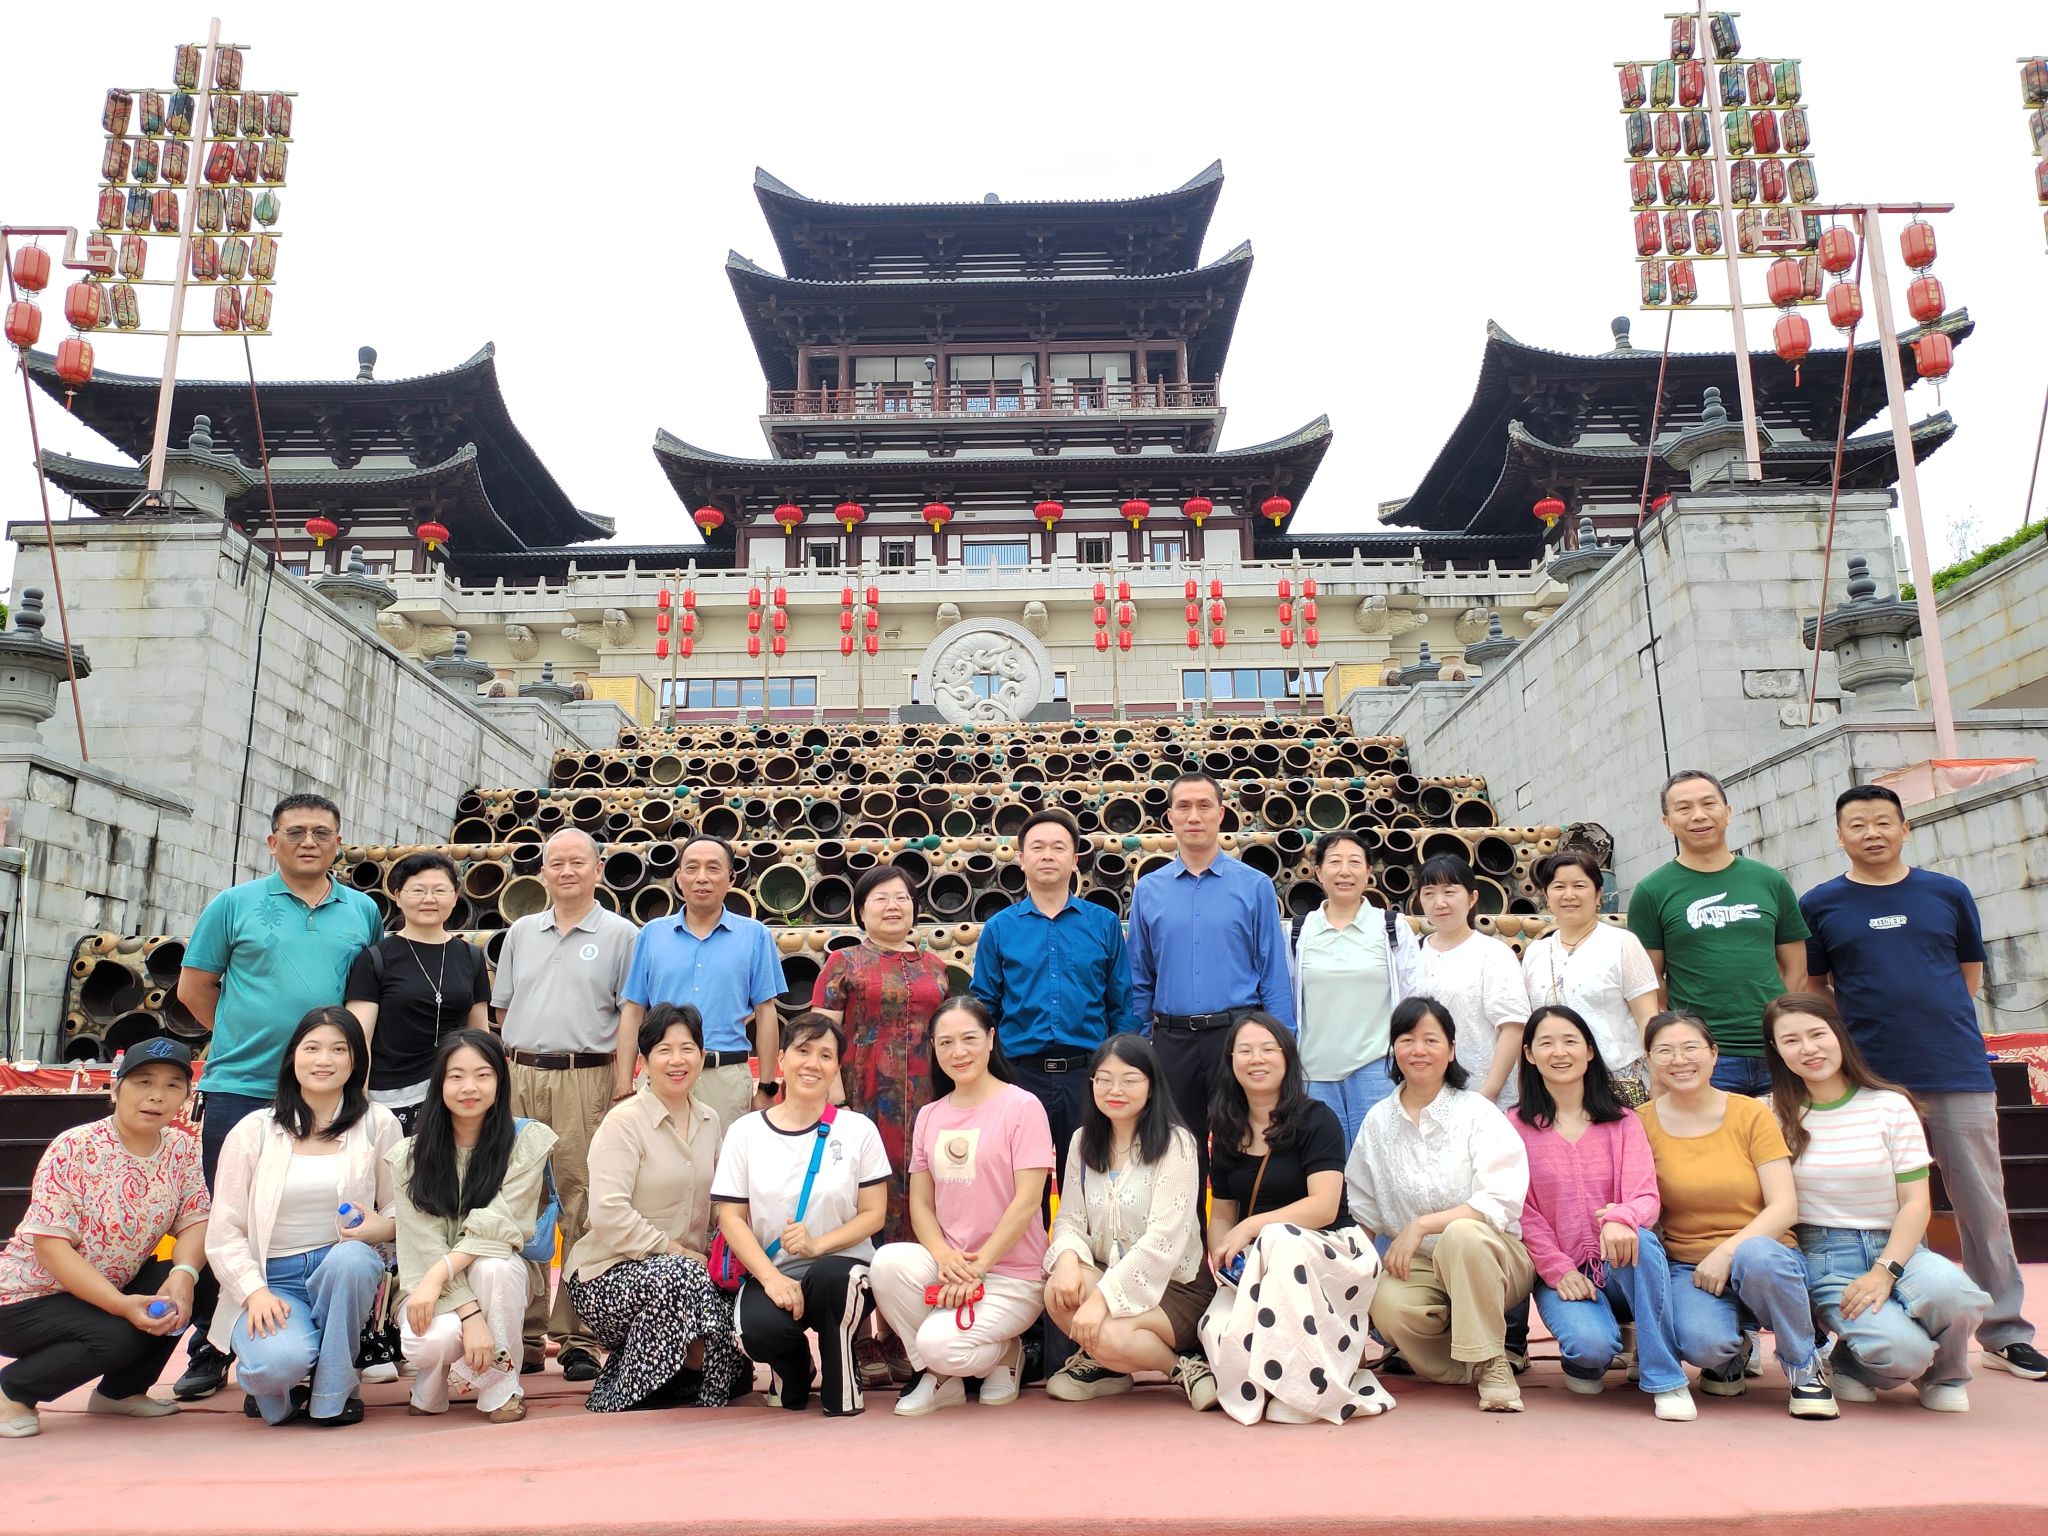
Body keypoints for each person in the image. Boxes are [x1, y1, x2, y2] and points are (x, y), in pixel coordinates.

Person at [1799, 784, 2044, 1380]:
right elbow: (1814, 987)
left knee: (1980, 1202)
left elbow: (1968, 972)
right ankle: (1886, 1325)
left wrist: (1931, 1020)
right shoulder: (1820, 903)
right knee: (1876, 1205)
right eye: (1858, 824)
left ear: (1905, 828)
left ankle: (2004, 1331)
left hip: (1952, 1067)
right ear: (1839, 835)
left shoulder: (1946, 892)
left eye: (1884, 822)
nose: (1872, 833)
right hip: (1870, 1077)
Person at [173, 792, 381, 1400]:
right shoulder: (234, 904)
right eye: (295, 832)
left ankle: (331, 1339)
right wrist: (243, 1036)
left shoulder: (363, 910)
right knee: (229, 1215)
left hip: (328, 1089)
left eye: (321, 832)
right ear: (272, 842)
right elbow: (193, 988)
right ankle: (211, 1345)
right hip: (242, 1086)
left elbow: (365, 993)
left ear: (338, 842)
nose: (308, 842)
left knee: (332, 1218)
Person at [1765, 993, 1990, 1410]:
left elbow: (1915, 1202)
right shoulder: (1771, 1114)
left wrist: (1885, 1271)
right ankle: (1852, 1364)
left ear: (1839, 1035)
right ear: (1777, 1050)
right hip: (1825, 1255)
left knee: (1956, 1294)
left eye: (1817, 1034)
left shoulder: (1890, 1104)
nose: (1808, 1048)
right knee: (1902, 1354)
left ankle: (1945, 1375)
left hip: (1898, 1244)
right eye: (1791, 1040)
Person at [0, 1040, 208, 1438]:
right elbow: (51, 1248)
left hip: (110, 1286)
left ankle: (121, 1392)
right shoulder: (75, 1147)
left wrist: (183, 1275)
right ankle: (13, 1391)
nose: (157, 1095)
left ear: (186, 1096)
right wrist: (120, 1305)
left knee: (203, 1274)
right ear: (115, 1088)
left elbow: (195, 1220)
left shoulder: (181, 1148)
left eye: (172, 1085)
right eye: (143, 1081)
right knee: (116, 1336)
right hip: (27, 1297)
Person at [490, 826, 637, 1382]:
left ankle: (577, 1336)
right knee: (517, 1200)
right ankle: (522, 1332)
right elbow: (502, 1010)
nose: (567, 871)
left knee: (581, 1200)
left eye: (579, 862)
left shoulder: (622, 935)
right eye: (557, 863)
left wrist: (621, 1083)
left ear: (598, 870)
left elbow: (631, 1014)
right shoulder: (521, 932)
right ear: (543, 872)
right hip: (520, 1074)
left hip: (586, 1077)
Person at [204, 1008, 399, 1426]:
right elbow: (224, 1231)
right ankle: (280, 1379)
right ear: (293, 1056)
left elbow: (402, 1209)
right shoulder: (254, 1131)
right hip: (272, 1280)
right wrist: (254, 1292)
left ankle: (333, 1392)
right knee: (273, 1366)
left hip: (341, 1273)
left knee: (353, 1259)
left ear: (355, 1060)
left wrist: (381, 1227)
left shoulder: (377, 1124)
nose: (323, 1060)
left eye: (338, 1050)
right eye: (312, 1048)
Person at [1637, 1010, 1835, 1418]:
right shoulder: (1640, 1123)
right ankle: (1733, 1350)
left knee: (1757, 1256)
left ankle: (1804, 1365)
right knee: (1703, 1346)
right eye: (1665, 1051)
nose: (1679, 1060)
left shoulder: (1751, 1114)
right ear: (1649, 1061)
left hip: (1764, 1255)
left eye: (1691, 1048)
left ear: (1713, 1054)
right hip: (1691, 1266)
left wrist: (1727, 1252)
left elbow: (1784, 1206)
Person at [1346, 997, 1534, 1412]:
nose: (1419, 1050)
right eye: (1407, 1039)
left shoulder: (1477, 1113)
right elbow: (1363, 1211)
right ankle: (1460, 1362)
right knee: (1385, 1302)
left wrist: (1420, 1225)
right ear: (1394, 1049)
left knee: (1461, 1235)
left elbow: (1498, 1200)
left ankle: (1492, 1361)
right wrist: (1349, 1280)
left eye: (1431, 1040)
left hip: (1491, 1256)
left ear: (1451, 1050)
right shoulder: (1378, 1122)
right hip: (1422, 1266)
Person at [1198, 1013, 1388, 1425]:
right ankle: (1278, 1384)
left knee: (1280, 1239)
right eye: (1245, 1051)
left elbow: (1323, 1206)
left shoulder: (1317, 1118)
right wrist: (1223, 1255)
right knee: (1217, 1324)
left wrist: (1252, 1227)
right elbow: (1223, 1212)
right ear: (1230, 1060)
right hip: (1263, 1259)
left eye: (1268, 1049)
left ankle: (1308, 1391)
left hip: (1330, 1251)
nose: (1257, 1059)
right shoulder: (1227, 1128)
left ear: (1287, 1057)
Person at [869, 997, 1054, 1416]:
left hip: (1011, 1274)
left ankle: (1003, 1354)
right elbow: (921, 1203)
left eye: (969, 1039)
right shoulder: (930, 1115)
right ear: (934, 1048)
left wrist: (980, 1265)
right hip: (951, 1267)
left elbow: (1027, 1201)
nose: (959, 1052)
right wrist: (943, 1256)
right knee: (887, 1263)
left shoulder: (1023, 1107)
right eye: (946, 1042)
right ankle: (944, 1376)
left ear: (991, 1039)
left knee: (938, 1342)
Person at [1511, 1004, 1693, 1421]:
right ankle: (1587, 1358)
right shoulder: (1515, 1126)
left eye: (1570, 1041)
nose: (1560, 1052)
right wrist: (1558, 1269)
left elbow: (1645, 1196)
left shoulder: (1623, 1121)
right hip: (1567, 1274)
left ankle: (1665, 1377)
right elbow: (1522, 1211)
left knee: (1642, 1241)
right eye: (1546, 1043)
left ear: (1590, 1050)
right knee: (1591, 1349)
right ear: (1530, 1054)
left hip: (1622, 1265)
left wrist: (1620, 1218)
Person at [563, 1003, 745, 1413]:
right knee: (680, 1277)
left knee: (736, 1330)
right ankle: (628, 1388)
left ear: (702, 1055)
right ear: (643, 1061)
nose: (677, 1060)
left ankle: (682, 1372)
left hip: (691, 1275)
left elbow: (723, 1203)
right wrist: (674, 1251)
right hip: (608, 1276)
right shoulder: (623, 1122)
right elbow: (608, 1213)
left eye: (687, 1048)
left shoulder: (710, 1120)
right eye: (664, 1050)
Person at [711, 1013, 890, 1416]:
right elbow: (731, 1218)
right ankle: (795, 1368)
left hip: (844, 1269)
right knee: (757, 1331)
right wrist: (771, 1278)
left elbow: (874, 1214)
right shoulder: (746, 1132)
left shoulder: (858, 1130)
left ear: (837, 1067)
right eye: (803, 1051)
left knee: (831, 1279)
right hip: (773, 1270)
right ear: (781, 1059)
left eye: (825, 1055)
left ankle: (842, 1376)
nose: (813, 1063)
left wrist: (817, 1245)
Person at [1128, 771, 1292, 1192]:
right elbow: (1140, 976)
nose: (1194, 816)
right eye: (1183, 807)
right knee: (1178, 1153)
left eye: (1204, 806)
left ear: (1221, 814)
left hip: (1237, 1037)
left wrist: (1282, 1044)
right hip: (1173, 1042)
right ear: (1169, 817)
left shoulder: (1255, 886)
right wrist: (1142, 1043)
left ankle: (1243, 1232)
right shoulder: (1149, 890)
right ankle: (1188, 1236)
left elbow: (1273, 971)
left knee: (1244, 1144)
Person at [386, 1029, 558, 1423]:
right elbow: (424, 1245)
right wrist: (470, 1315)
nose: (469, 1087)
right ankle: (430, 1384)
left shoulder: (525, 1142)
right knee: (432, 1340)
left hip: (492, 1275)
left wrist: (441, 1273)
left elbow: (498, 1226)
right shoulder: (410, 1157)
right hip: (428, 1282)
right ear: (439, 1083)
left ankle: (502, 1391)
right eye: (456, 1076)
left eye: (482, 1075)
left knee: (494, 1266)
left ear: (500, 1081)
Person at [970, 810, 1139, 1207]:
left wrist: (1118, 1070)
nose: (1048, 855)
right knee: (1020, 1187)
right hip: (1019, 1074)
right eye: (1038, 847)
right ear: (1022, 858)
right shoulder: (1000, 928)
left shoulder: (1103, 924)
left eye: (1058, 847)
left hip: (1087, 1075)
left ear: (1075, 858)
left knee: (1092, 1183)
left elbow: (1121, 1003)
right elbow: (985, 1006)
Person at [1041, 1035, 1215, 1410]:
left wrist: (1099, 1300)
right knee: (1058, 1291)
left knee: (1112, 1335)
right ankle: (1111, 1367)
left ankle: (1182, 1367)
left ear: (1151, 1086)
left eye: (1129, 1080)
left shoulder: (1177, 1143)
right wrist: (1068, 1261)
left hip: (1175, 1287)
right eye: (1104, 1079)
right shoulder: (1082, 1141)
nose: (1115, 1090)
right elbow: (1069, 1220)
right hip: (1111, 1272)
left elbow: (1162, 1242)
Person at [1627, 770, 1808, 1095]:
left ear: (1727, 811)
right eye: (1684, 808)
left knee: (1786, 1129)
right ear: (1667, 822)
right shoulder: (1652, 891)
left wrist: (1779, 1023)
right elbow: (1651, 981)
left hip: (1777, 1049)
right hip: (1704, 1056)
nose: (1698, 815)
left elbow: (1796, 969)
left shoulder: (1770, 881)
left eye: (1708, 804)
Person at [811, 862, 952, 1248]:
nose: (893, 906)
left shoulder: (935, 967)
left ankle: (920, 1265)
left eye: (902, 898)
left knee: (928, 1181)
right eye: (881, 898)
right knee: (865, 1183)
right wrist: (838, 1103)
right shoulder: (844, 962)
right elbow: (821, 1038)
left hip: (928, 1100)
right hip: (863, 1100)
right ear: (861, 910)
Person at [625, 833, 784, 1137]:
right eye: (692, 868)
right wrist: (623, 1082)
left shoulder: (755, 936)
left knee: (722, 1163)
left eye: (713, 868)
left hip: (724, 1078)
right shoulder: (652, 935)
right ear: (678, 877)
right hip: (662, 1074)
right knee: (657, 1160)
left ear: (731, 877)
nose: (702, 878)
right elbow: (634, 1010)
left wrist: (766, 1087)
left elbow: (766, 1013)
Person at [1288, 830, 1420, 1145]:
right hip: (1314, 1074)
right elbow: (1288, 999)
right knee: (1326, 1165)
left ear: (1368, 872)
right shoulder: (1298, 932)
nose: (1345, 871)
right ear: (1318, 872)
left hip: (1377, 1070)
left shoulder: (1392, 928)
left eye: (1355, 862)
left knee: (1381, 1161)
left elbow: (1415, 998)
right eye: (1335, 862)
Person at [344, 851, 491, 1133]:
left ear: (455, 896)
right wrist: (359, 1104)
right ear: (398, 896)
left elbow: (479, 1034)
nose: (429, 899)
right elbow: (359, 1039)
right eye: (418, 890)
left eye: (440, 890)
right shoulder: (375, 959)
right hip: (390, 1097)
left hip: (453, 1094)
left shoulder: (471, 957)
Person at [1521, 850, 1660, 1099]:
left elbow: (1647, 1018)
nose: (1569, 895)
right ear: (1546, 896)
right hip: (1555, 1085)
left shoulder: (1622, 943)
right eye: (1559, 886)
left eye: (1579, 885)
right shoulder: (1536, 952)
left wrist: (1659, 1081)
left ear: (1598, 895)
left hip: (1618, 1082)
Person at [1413, 855, 1527, 1109]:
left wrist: (1489, 1094)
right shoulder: (1413, 955)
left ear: (1472, 897)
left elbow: (1513, 1027)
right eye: (1429, 893)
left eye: (1449, 892)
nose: (1439, 903)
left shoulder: (1493, 953)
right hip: (1426, 1095)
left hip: (1484, 1097)